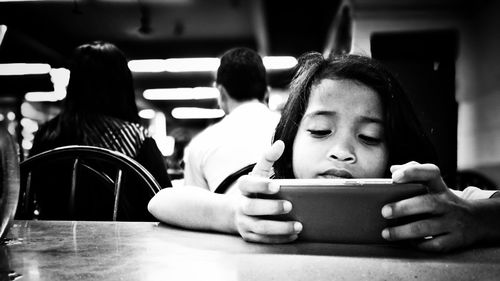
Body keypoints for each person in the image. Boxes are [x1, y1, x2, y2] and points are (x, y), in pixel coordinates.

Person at [148, 53, 500, 252]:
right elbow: (162, 201)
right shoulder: (275, 198)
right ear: (291, 138)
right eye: (320, 131)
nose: (342, 152)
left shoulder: (424, 207)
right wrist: (234, 213)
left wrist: (475, 217)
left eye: (369, 136)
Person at [29, 41, 171, 220]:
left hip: (50, 240)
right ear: (123, 84)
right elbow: (164, 201)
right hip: (123, 243)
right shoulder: (137, 137)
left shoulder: (47, 134)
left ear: (74, 83)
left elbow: (29, 194)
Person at [182, 47, 279, 193]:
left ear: (221, 92)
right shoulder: (295, 132)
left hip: (227, 215)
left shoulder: (199, 146)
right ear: (267, 92)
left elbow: (192, 208)